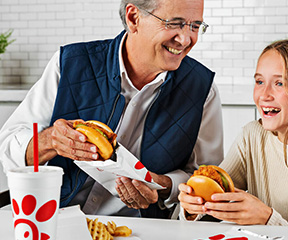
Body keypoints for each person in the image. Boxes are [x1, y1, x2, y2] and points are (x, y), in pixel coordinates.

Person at [0, 0, 224, 219]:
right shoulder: (69, 64)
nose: (186, 39)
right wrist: (50, 141)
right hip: (53, 221)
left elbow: (206, 179)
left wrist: (164, 186)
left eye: (195, 26)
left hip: (140, 231)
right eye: (174, 23)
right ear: (133, 17)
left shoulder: (202, 90)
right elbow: (8, 146)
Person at [178, 39, 288, 228]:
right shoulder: (252, 137)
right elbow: (215, 199)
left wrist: (267, 219)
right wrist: (191, 207)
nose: (264, 95)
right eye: (260, 81)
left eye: (279, 83)